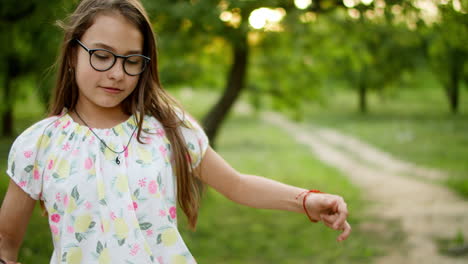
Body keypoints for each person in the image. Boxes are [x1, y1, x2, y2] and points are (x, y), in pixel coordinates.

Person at [0, 0, 351, 263]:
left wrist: (307, 200)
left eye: (132, 60)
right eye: (102, 55)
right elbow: (6, 243)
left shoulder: (168, 129)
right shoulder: (39, 144)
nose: (117, 73)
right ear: (73, 53)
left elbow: (238, 185)